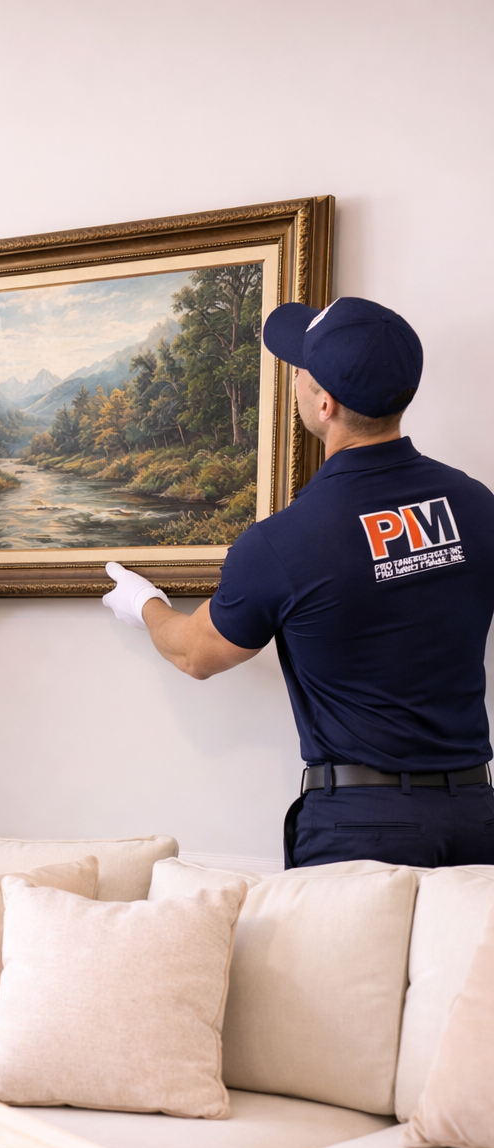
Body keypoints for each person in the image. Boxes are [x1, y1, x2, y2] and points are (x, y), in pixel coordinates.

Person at [102, 296, 494, 869]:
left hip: (362, 831)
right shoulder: (477, 505)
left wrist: (144, 605)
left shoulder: (285, 540)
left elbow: (195, 654)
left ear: (325, 404)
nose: (294, 381)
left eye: (301, 372)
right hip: (479, 817)